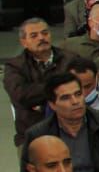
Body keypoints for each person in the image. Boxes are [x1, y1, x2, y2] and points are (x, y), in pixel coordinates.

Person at [22, 71, 99, 172]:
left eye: (78, 94)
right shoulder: (38, 135)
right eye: (65, 98)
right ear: (52, 105)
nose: (75, 102)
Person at [5, 17, 71, 146]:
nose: (41, 38)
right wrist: (58, 88)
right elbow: (21, 96)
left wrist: (41, 103)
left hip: (69, 129)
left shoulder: (70, 59)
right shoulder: (15, 66)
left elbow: (81, 89)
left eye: (45, 33)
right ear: (24, 42)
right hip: (32, 133)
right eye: (34, 35)